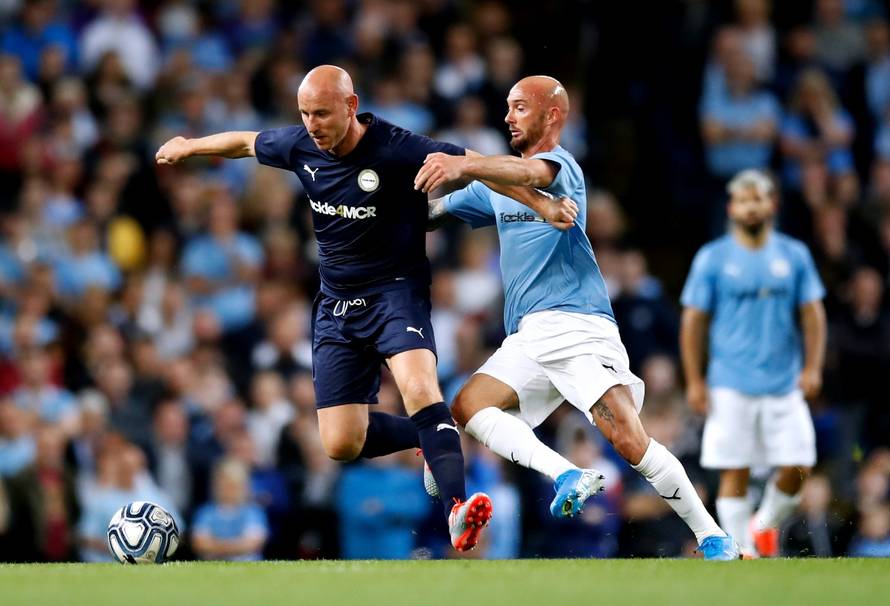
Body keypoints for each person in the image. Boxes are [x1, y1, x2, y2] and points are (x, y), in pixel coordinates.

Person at [156, 65, 574, 551]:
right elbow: (246, 142)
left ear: (351, 107)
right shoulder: (300, 145)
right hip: (336, 303)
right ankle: (432, 434)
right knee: (340, 443)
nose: (312, 124)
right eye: (305, 114)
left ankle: (456, 511)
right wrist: (191, 145)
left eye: (322, 114)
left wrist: (542, 204)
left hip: (396, 293)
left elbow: (479, 164)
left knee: (419, 387)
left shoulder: (397, 147)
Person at [415, 75, 739, 559]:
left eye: (520, 107)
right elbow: (434, 213)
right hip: (528, 336)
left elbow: (534, 177)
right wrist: (379, 203)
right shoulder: (496, 186)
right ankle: (566, 473)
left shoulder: (562, 167)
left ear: (552, 116)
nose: (507, 117)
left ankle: (714, 538)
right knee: (467, 408)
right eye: (507, 107)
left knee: (630, 440)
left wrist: (465, 162)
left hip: (576, 325)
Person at [679, 169, 827, 557]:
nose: (750, 207)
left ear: (771, 204)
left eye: (757, 199)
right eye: (743, 201)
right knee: (735, 470)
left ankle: (763, 527)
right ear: (732, 208)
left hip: (784, 382)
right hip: (729, 382)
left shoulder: (794, 255)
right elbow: (693, 321)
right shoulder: (712, 258)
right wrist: (694, 381)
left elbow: (813, 315)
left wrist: (812, 368)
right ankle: (743, 549)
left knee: (799, 467)